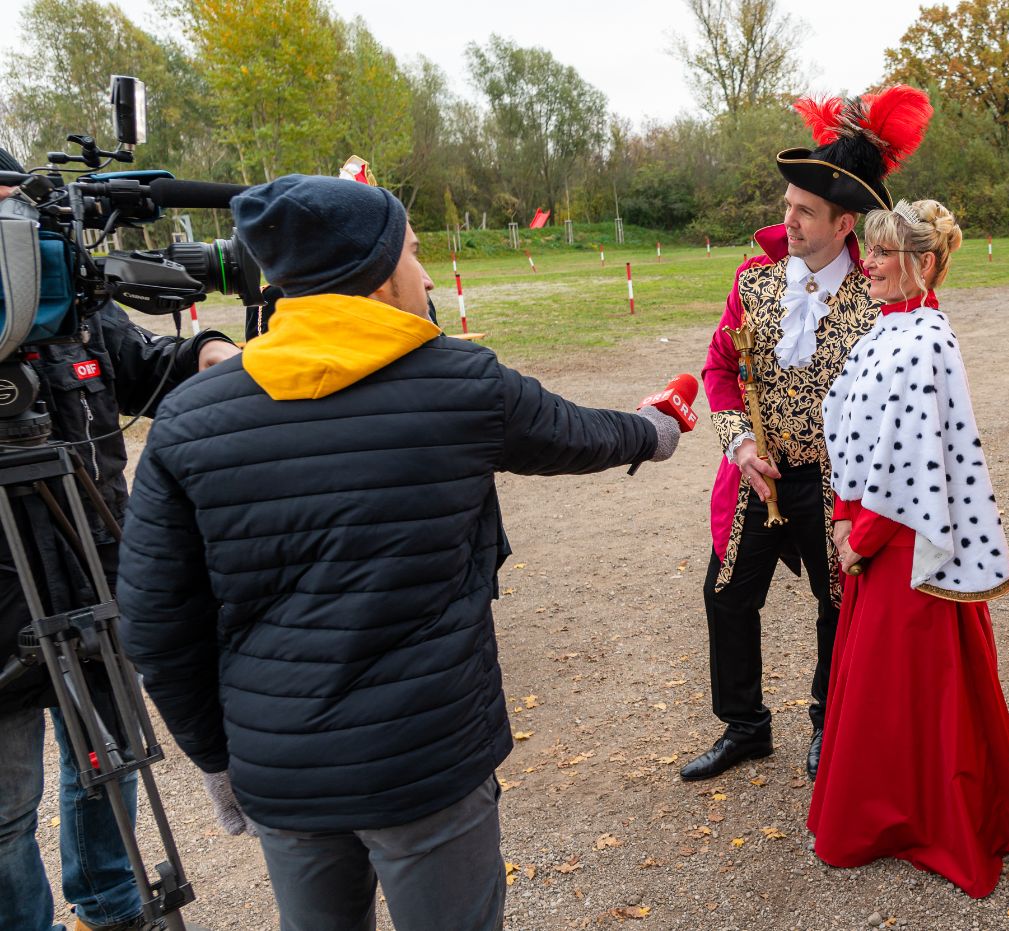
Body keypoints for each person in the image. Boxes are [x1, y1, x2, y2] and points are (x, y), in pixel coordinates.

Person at [115, 174, 682, 931]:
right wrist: (655, 430)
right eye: (413, 253)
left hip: (283, 767)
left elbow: (155, 622)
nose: (425, 274)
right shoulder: (461, 384)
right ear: (380, 273)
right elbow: (577, 435)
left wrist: (217, 758)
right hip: (426, 759)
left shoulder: (189, 417)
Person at [0, 146, 239, 931]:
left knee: (109, 763)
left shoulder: (74, 305)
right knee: (6, 807)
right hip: (3, 604)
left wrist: (206, 351)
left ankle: (110, 903)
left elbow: (146, 367)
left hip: (96, 571)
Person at [808, 199, 1009, 897]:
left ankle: (917, 814)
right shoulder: (886, 326)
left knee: (910, 686)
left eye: (884, 253)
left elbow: (911, 458)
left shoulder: (926, 339)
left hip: (908, 546)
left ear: (921, 262)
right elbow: (854, 432)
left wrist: (860, 535)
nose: (869, 264)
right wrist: (843, 515)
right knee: (883, 687)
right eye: (870, 251)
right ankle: (887, 806)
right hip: (872, 533)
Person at [686, 86, 933, 782]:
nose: (787, 220)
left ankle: (830, 723)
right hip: (759, 471)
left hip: (836, 482)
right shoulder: (755, 281)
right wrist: (740, 444)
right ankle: (745, 726)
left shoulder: (876, 293)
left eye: (803, 211)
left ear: (843, 222)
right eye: (787, 205)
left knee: (839, 604)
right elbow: (720, 367)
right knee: (727, 593)